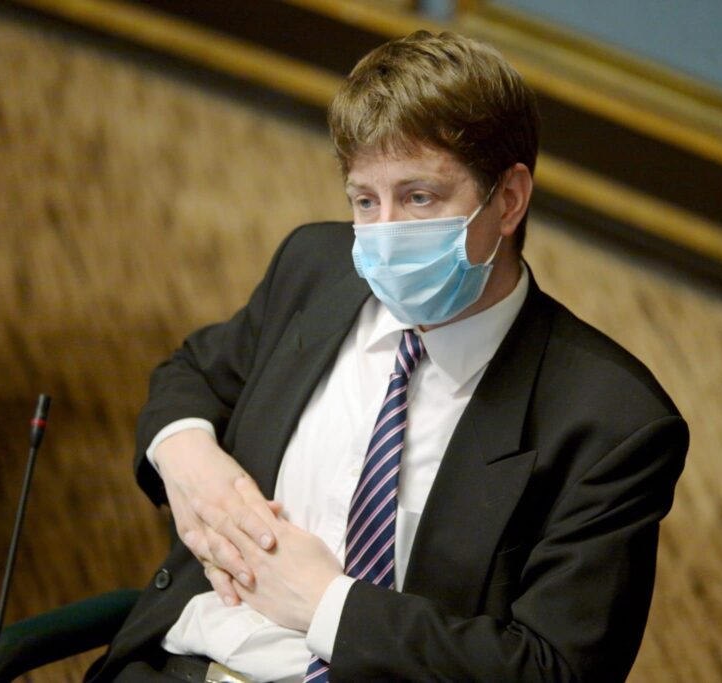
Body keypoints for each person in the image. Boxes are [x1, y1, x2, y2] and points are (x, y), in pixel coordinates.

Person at [88, 30, 688, 683]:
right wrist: (189, 460)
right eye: (365, 201)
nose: (385, 235)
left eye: (419, 197)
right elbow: (193, 374)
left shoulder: (613, 423)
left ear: (510, 199)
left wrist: (328, 604)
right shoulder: (315, 267)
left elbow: (551, 669)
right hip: (183, 663)